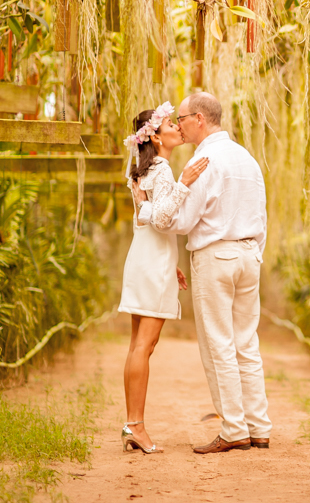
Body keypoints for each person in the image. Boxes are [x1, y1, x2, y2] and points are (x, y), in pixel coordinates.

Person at [153, 91, 272, 454]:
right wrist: (255, 252)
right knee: (246, 343)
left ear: (200, 119)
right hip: (249, 255)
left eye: (182, 119)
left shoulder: (203, 160)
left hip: (215, 256)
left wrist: (163, 207)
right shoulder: (247, 158)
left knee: (218, 343)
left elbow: (183, 221)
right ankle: (259, 427)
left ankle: (234, 430)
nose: (179, 126)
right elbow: (262, 215)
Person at [117, 103, 208, 454]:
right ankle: (136, 425)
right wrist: (184, 183)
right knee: (145, 345)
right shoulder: (163, 170)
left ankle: (132, 423)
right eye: (170, 124)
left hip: (147, 258)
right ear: (155, 137)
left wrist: (172, 262)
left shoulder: (147, 171)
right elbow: (162, 219)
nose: (177, 128)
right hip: (151, 264)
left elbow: (147, 220)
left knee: (137, 346)